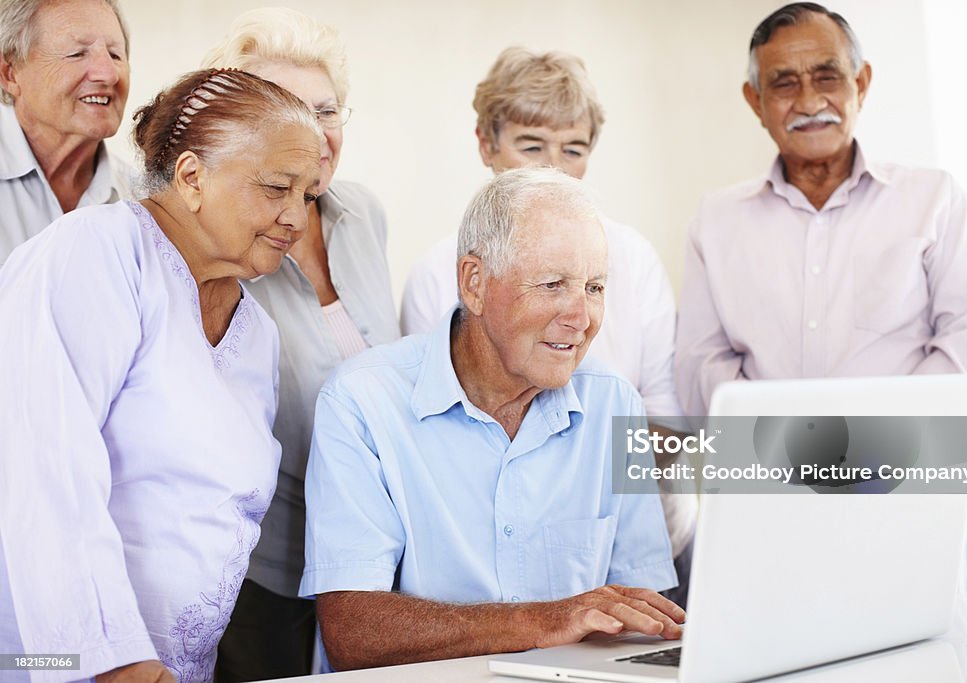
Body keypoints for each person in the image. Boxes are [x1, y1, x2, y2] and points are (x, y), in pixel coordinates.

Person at [0, 68, 322, 682]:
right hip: (56, 661)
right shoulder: (96, 251)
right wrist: (117, 663)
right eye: (277, 187)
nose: (296, 219)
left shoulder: (257, 333)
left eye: (306, 195)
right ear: (192, 177)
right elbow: (44, 465)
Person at [303, 167, 683, 670]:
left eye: (594, 287)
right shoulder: (361, 401)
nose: (582, 316)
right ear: (474, 283)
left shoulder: (614, 403)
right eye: (552, 284)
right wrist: (548, 620)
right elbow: (352, 633)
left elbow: (640, 616)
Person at [400, 46, 696, 603]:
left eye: (573, 148)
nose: (551, 168)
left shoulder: (634, 257)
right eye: (531, 146)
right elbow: (435, 440)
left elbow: (667, 420)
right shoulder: (440, 274)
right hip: (502, 565)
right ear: (486, 144)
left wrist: (576, 474)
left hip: (642, 538)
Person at [674, 2, 967, 417]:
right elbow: (701, 360)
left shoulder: (935, 199)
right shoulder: (716, 221)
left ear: (861, 83)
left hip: (907, 469)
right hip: (768, 471)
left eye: (827, 77)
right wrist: (782, 446)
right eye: (785, 84)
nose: (810, 103)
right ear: (756, 102)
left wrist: (880, 445)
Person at [201, 8, 402, 680]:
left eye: (327, 109)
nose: (314, 132)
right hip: (263, 575)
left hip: (375, 564)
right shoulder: (215, 243)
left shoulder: (364, 213)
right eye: (287, 109)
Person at [0, 0, 135, 265]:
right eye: (76, 54)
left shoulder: (143, 202)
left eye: (115, 54)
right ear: (10, 74)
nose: (108, 74)